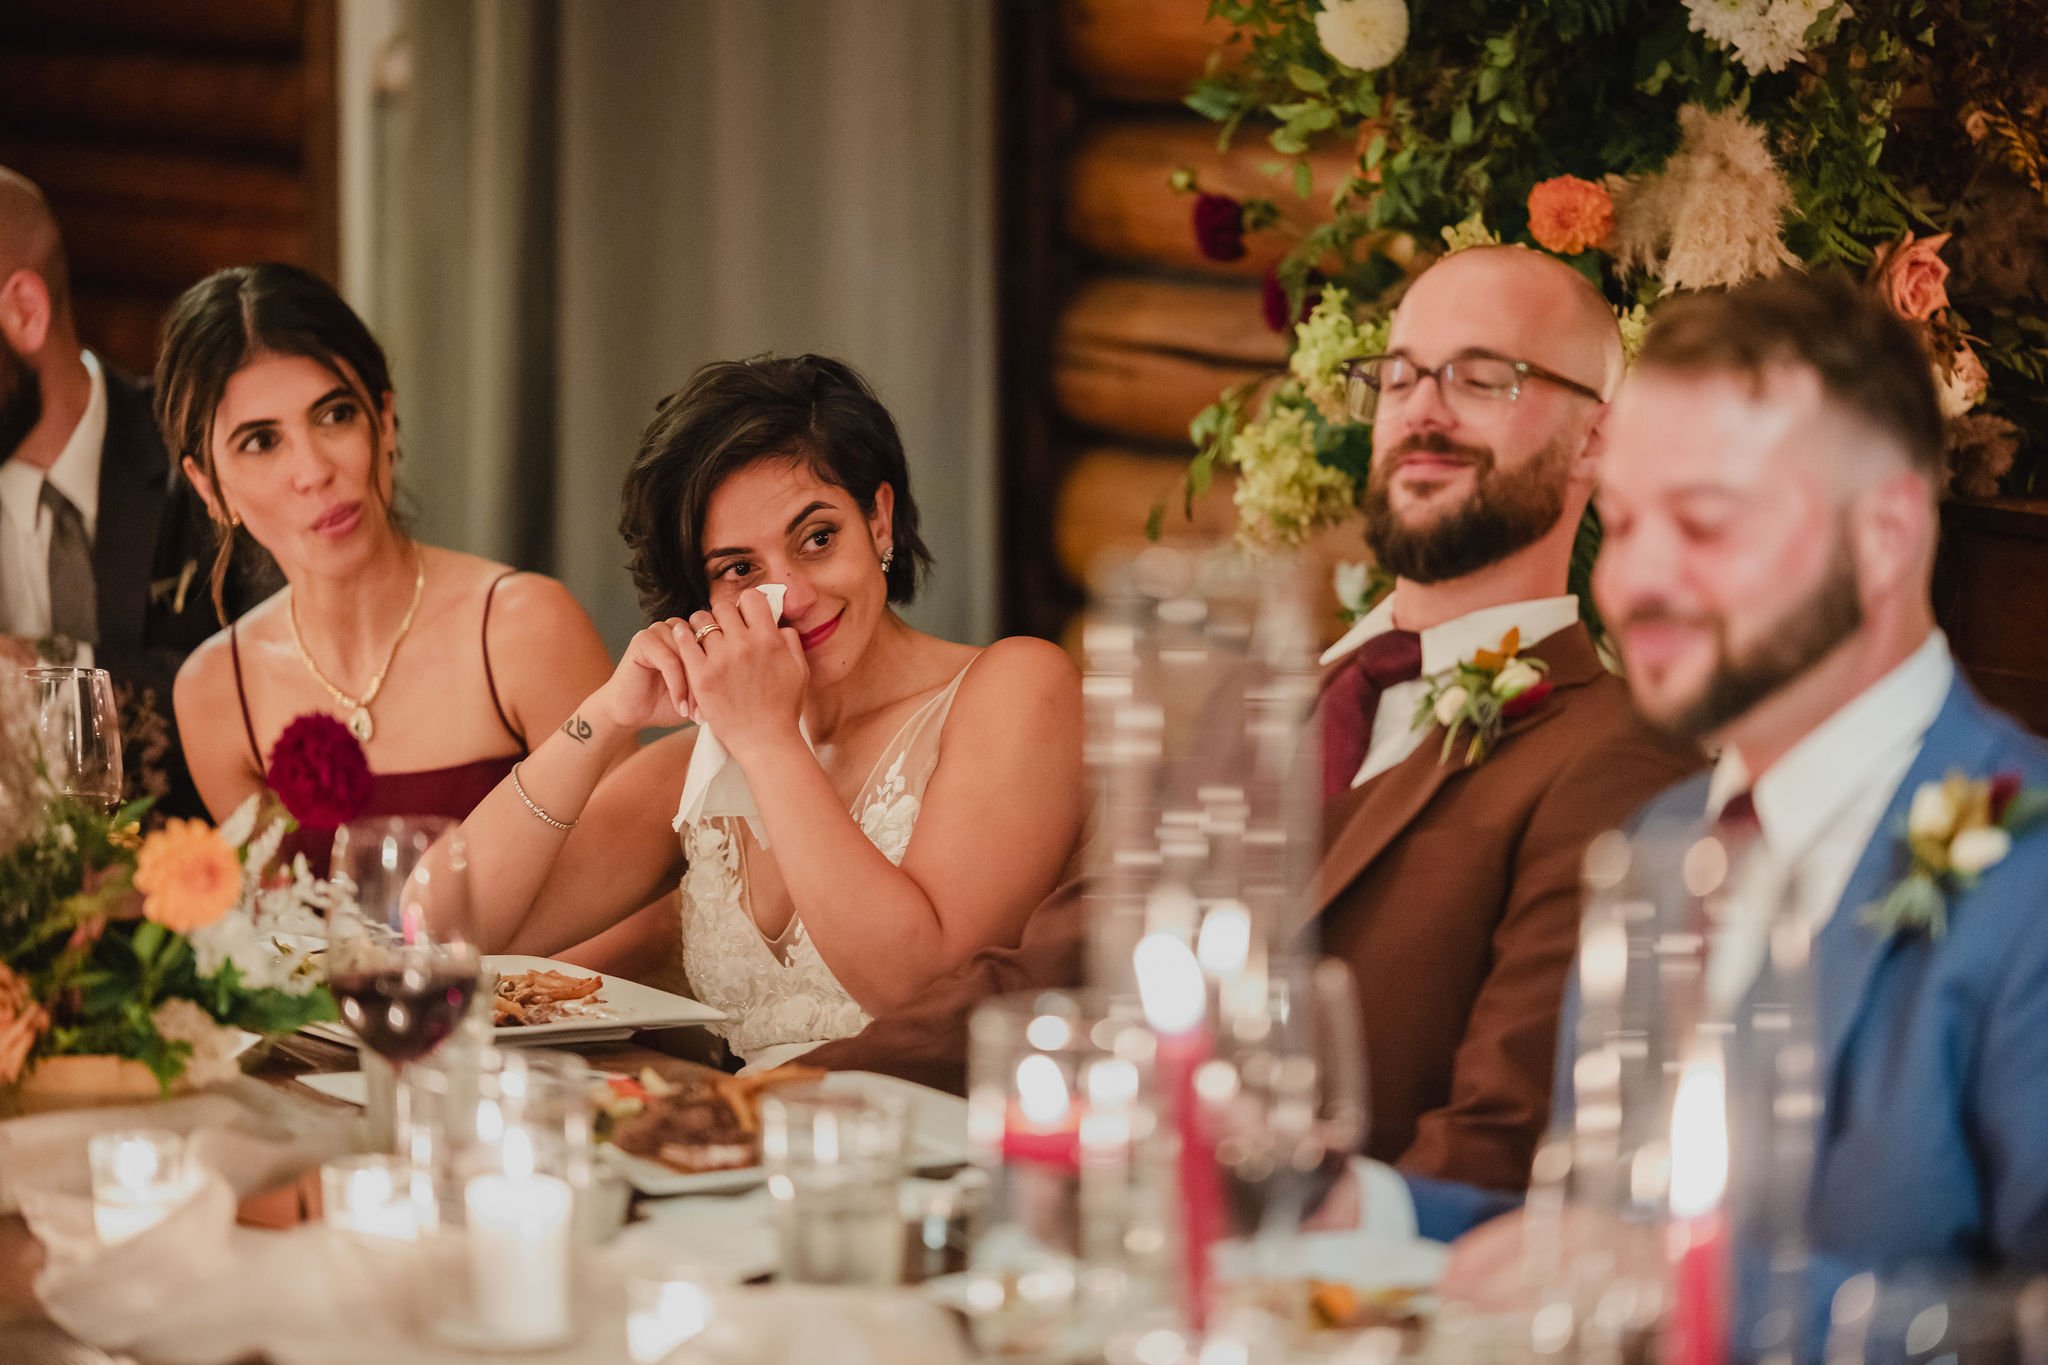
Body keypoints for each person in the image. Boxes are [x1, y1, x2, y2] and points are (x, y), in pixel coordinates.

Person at [810, 247, 1700, 1198]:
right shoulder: (1263, 702)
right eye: (1398, 377)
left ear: (1598, 441)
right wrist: (794, 1094)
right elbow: (1055, 969)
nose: (1424, 410)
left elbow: (1498, 1142)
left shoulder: (1619, 759)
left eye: (1484, 379)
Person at [1422, 270, 2048, 1342]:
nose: (1631, 582)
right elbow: (1590, 1244)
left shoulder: (2027, 872)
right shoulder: (1656, 844)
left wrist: (1708, 1301)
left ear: (1884, 535)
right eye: (1618, 526)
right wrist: (1365, 1210)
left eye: (1702, 526)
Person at [455, 353, 1089, 1071]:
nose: (796, 592)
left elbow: (921, 994)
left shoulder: (1018, 686)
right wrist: (607, 713)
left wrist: (768, 740)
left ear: (878, 520)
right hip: (735, 1150)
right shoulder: (701, 764)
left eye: (817, 538)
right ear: (702, 595)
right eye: (740, 569)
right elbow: (447, 924)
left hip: (927, 1149)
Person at [161, 262, 673, 976]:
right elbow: (279, 946)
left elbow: (644, 899)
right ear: (208, 487)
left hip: (550, 1049)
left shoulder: (522, 625)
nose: (312, 469)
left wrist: (495, 1016)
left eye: (334, 414)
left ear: (387, 420)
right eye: (260, 440)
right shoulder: (218, 690)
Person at [0, 166, 273, 819]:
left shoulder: (207, 453)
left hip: (196, 895)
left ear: (25, 313)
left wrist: (40, 675)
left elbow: (274, 685)